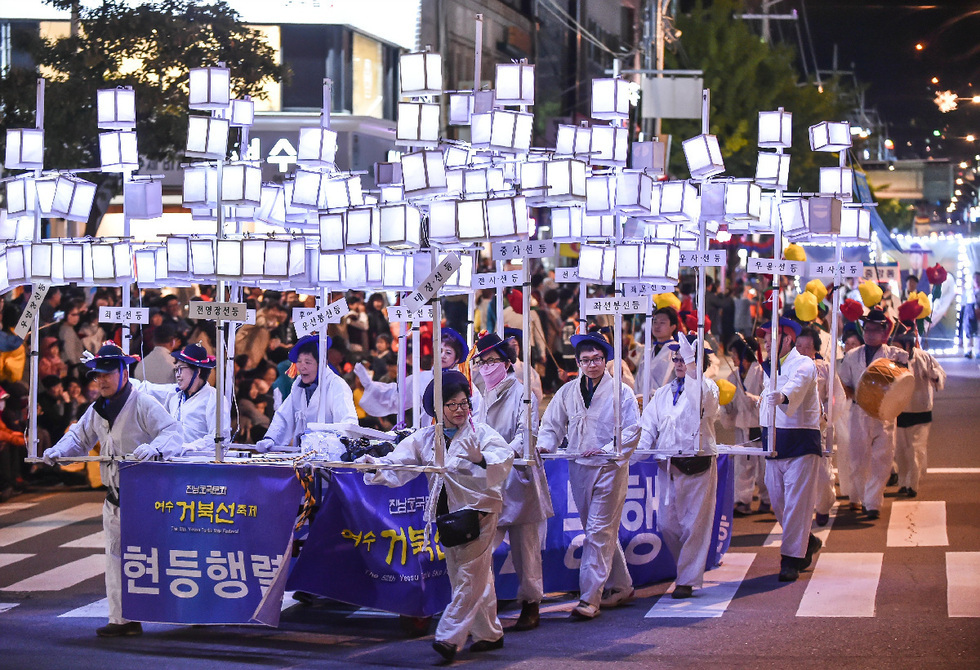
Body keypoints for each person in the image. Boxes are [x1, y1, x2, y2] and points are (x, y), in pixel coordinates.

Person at [360, 371, 514, 663]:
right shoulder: (425, 438)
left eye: (463, 403)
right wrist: (375, 467)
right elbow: (399, 465)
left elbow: (503, 460)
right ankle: (490, 633)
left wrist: (481, 459)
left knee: (470, 577)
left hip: (479, 513)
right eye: (451, 404)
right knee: (467, 577)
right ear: (436, 409)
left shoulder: (482, 434)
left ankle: (448, 637)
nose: (459, 409)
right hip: (447, 516)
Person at [41, 342, 183, 637]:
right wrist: (57, 451)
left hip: (147, 499)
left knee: (157, 559)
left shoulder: (143, 403)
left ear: (123, 371)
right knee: (115, 557)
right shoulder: (97, 409)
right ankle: (121, 620)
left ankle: (184, 614)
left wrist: (154, 447)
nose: (101, 380)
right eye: (98, 374)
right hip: (115, 497)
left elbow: (173, 432)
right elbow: (78, 438)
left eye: (107, 373)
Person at [537, 332, 641, 619]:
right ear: (578, 362)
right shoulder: (568, 391)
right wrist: (546, 442)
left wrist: (607, 450)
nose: (591, 364)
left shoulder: (623, 392)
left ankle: (589, 599)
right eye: (585, 360)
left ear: (606, 360)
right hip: (578, 467)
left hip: (610, 468)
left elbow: (631, 430)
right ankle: (622, 586)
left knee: (597, 531)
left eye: (596, 359)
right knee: (598, 531)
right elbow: (552, 422)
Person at [471, 332, 553, 631]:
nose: (487, 367)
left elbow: (526, 433)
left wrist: (501, 453)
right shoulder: (478, 396)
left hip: (519, 479)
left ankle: (531, 604)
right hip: (489, 482)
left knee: (526, 549)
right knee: (480, 549)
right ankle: (481, 608)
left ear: (507, 363)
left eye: (493, 361)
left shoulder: (523, 393)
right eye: (482, 361)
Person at [638, 334, 720, 598]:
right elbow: (647, 426)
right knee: (667, 524)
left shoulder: (709, 388)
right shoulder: (662, 393)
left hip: (698, 466)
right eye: (677, 358)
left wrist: (694, 366)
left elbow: (702, 404)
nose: (680, 363)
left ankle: (686, 579)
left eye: (686, 359)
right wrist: (633, 452)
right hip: (668, 467)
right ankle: (686, 566)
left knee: (694, 524)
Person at [757, 316, 824, 582]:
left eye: (768, 338)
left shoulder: (804, 363)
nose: (764, 342)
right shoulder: (768, 366)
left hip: (800, 442)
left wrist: (783, 396)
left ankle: (791, 559)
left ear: (786, 339)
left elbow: (795, 386)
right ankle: (806, 540)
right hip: (773, 443)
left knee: (797, 503)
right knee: (778, 501)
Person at [837, 308, 908, 519]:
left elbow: (905, 376)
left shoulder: (893, 354)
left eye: (876, 330)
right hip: (859, 411)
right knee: (858, 458)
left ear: (884, 332)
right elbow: (844, 383)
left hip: (884, 413)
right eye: (867, 329)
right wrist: (854, 392)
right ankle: (856, 498)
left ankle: (873, 503)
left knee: (883, 459)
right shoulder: (851, 356)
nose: (870, 334)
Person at [256, 335, 357, 451]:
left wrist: (329, 444)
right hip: (302, 458)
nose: (302, 367)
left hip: (329, 459)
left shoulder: (337, 385)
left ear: (322, 363)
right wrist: (271, 439)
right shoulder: (298, 386)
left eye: (308, 362)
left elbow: (349, 424)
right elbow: (283, 416)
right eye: (299, 362)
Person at [356, 327, 480, 421]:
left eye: (448, 352)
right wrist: (369, 385)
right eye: (440, 350)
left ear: (457, 358)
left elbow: (476, 415)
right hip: (428, 439)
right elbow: (396, 395)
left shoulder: (465, 384)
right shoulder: (422, 378)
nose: (442, 356)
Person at [133, 342, 231, 456]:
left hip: (199, 463)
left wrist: (185, 448)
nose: (177, 375)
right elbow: (146, 388)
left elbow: (218, 439)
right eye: (176, 370)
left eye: (181, 369)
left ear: (197, 371)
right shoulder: (175, 394)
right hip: (174, 460)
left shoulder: (215, 399)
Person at [795, 326, 844, 527]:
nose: (803, 350)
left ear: (815, 348)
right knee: (796, 477)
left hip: (818, 429)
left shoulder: (824, 368)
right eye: (798, 346)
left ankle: (823, 506)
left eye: (808, 346)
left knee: (823, 474)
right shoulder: (787, 368)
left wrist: (827, 417)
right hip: (793, 430)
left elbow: (837, 397)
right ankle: (800, 517)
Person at [893, 328, 945, 498]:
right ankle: (903, 481)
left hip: (920, 410)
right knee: (900, 450)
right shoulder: (891, 359)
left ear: (908, 346)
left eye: (899, 347)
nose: (896, 350)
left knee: (916, 450)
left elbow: (940, 373)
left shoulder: (924, 357)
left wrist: (934, 375)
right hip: (900, 410)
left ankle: (912, 484)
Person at [721, 334, 768, 516]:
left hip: (761, 429)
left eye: (734, 354)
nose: (732, 358)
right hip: (743, 428)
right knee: (742, 466)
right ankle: (742, 500)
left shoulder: (763, 373)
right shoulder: (733, 377)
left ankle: (766, 499)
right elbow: (731, 408)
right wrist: (725, 405)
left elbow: (770, 399)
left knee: (765, 468)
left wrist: (755, 400)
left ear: (744, 355)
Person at [636, 306, 682, 396]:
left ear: (673, 327)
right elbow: (639, 378)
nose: (657, 326)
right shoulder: (649, 350)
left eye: (662, 323)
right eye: (655, 322)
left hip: (666, 403)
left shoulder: (677, 350)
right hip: (643, 402)